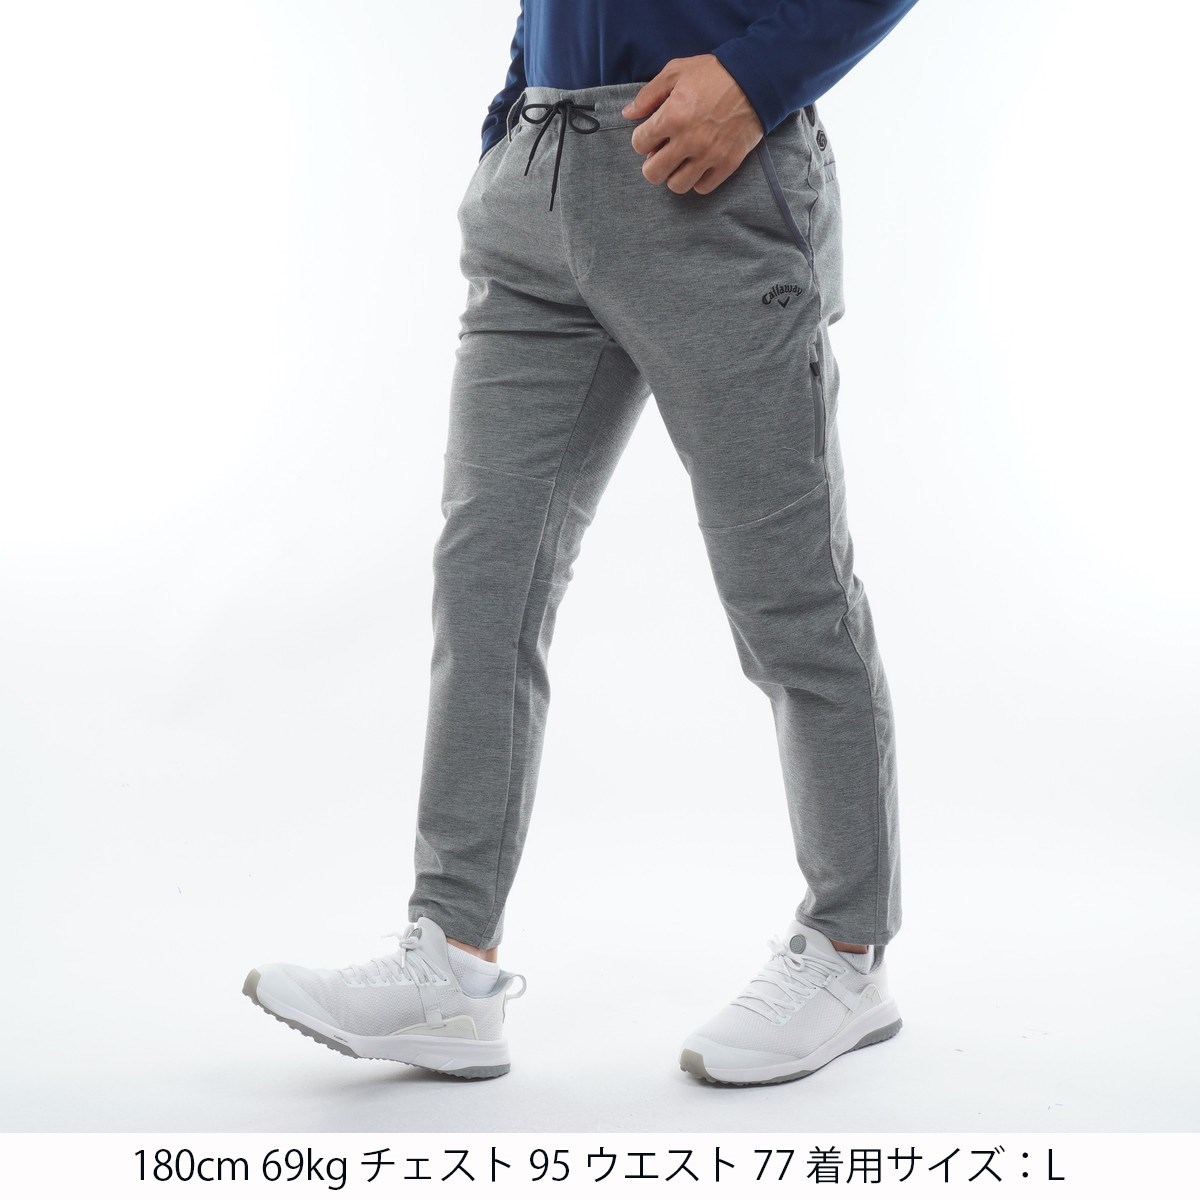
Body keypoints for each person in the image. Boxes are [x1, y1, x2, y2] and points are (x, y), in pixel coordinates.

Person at [245, 0, 919, 1086]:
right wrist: (513, 116)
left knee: (785, 594)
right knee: (486, 578)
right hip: (540, 172)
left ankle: (848, 951)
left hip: (713, 172)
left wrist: (759, 80)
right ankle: (452, 964)